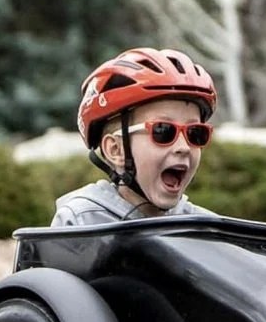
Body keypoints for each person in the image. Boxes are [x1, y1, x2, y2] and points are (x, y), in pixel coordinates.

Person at [54, 47, 219, 227]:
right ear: (115, 149)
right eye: (163, 131)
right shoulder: (82, 223)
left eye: (195, 133)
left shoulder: (205, 229)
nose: (184, 147)